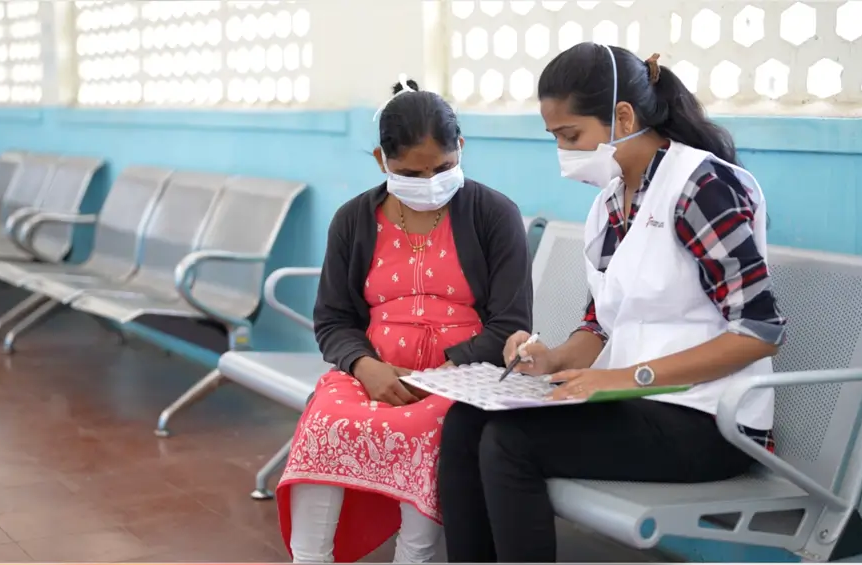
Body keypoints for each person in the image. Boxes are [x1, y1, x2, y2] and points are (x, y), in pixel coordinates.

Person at [437, 43, 788, 563]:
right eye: (556, 138)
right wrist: (549, 359)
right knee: (465, 421)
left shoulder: (702, 188)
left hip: (711, 422)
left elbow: (760, 332)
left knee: (513, 443)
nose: (563, 151)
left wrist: (628, 378)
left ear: (622, 116)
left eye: (571, 135)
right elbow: (598, 325)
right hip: (635, 409)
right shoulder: (610, 203)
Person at [274, 78, 533, 563]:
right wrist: (364, 366)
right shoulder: (354, 220)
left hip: (461, 380)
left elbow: (511, 321)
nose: (431, 181)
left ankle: (413, 558)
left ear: (461, 147)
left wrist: (446, 373)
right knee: (324, 422)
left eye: (443, 166)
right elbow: (332, 319)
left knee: (430, 430)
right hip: (374, 370)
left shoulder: (493, 214)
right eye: (412, 172)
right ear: (381, 161)